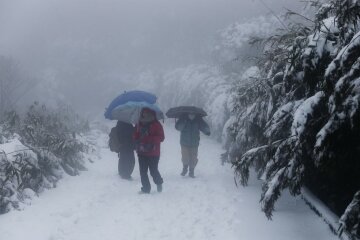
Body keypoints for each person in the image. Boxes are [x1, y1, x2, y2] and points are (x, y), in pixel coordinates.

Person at [133, 108, 164, 193]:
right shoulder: (139, 123)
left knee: (153, 171)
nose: (144, 114)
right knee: (143, 172)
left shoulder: (156, 124)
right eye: (143, 113)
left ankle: (159, 182)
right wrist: (136, 138)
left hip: (153, 153)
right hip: (141, 151)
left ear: (151, 113)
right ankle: (146, 189)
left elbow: (161, 137)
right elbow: (135, 136)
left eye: (147, 113)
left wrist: (149, 138)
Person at [175, 113, 210, 178]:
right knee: (185, 156)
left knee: (193, 157)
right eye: (190, 114)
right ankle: (185, 168)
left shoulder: (198, 119)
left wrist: (207, 131)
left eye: (193, 114)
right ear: (187, 113)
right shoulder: (183, 118)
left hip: (194, 142)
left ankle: (191, 171)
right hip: (184, 142)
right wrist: (183, 121)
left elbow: (203, 126)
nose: (191, 115)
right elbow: (178, 127)